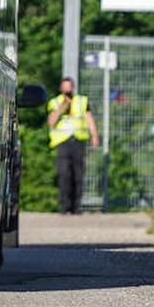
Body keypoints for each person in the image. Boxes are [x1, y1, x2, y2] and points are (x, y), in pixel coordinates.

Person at [47, 76, 99, 214]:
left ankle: (76, 207)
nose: (67, 91)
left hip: (78, 141)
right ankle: (64, 206)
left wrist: (94, 135)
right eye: (65, 88)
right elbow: (51, 122)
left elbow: (89, 118)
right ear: (60, 89)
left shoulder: (82, 101)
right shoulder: (55, 102)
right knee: (64, 174)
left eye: (69, 88)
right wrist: (63, 107)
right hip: (62, 142)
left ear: (73, 88)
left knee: (78, 174)